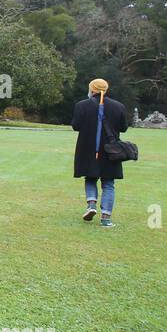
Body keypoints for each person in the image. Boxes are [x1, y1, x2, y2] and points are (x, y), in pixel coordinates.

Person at [71, 78, 129, 228]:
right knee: (108, 183)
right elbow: (123, 128)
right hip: (110, 150)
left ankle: (91, 205)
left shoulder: (81, 105)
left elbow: (75, 126)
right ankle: (106, 218)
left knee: (90, 178)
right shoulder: (118, 106)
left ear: (91, 89)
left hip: (87, 148)